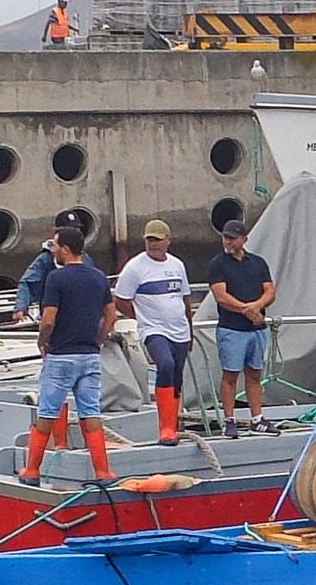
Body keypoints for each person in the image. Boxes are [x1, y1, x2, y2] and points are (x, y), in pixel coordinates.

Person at [19, 220, 115, 485]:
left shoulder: (56, 278)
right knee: (91, 414)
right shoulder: (98, 277)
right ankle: (102, 472)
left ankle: (32, 471)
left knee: (47, 414)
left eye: (56, 246)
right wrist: (99, 338)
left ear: (65, 249)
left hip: (61, 356)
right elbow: (111, 314)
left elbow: (48, 319)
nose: (54, 251)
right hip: (90, 355)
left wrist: (42, 341)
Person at [112, 218, 194, 444]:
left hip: (179, 329)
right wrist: (141, 315)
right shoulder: (135, 268)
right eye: (149, 240)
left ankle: (174, 421)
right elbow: (120, 300)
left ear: (168, 241)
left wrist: (190, 329)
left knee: (176, 375)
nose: (153, 244)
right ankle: (165, 427)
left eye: (157, 240)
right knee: (165, 365)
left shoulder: (177, 265)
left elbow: (184, 299)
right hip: (153, 329)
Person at [203, 218, 276, 433]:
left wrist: (257, 306)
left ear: (244, 239)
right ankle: (229, 420)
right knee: (230, 375)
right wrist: (249, 310)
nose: (228, 242)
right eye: (226, 238)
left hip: (257, 329)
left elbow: (270, 290)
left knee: (254, 374)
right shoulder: (217, 264)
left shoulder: (258, 262)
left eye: (233, 238)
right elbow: (221, 296)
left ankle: (257, 418)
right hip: (232, 329)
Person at [14, 207, 94, 321]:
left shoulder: (86, 260)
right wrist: (20, 307)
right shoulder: (46, 259)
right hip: (55, 319)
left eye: (76, 231)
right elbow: (28, 283)